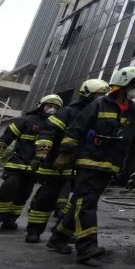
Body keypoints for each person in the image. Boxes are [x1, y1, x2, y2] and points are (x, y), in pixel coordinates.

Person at [46, 67, 135, 263]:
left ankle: (57, 239)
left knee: (81, 200)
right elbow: (76, 129)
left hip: (109, 166)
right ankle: (87, 248)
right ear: (121, 86)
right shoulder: (99, 104)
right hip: (89, 162)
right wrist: (64, 154)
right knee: (87, 203)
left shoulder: (133, 110)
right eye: (134, 87)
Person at [25, 79, 110, 243]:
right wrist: (42, 152)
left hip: (81, 164)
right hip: (57, 163)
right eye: (99, 94)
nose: (102, 98)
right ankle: (34, 230)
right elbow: (48, 132)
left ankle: (63, 232)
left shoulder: (99, 115)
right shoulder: (68, 112)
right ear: (87, 94)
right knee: (47, 196)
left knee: (77, 202)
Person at [0, 94, 62, 230]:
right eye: (49, 106)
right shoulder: (27, 120)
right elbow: (6, 138)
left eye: (55, 107)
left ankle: (10, 220)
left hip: (36, 167)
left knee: (24, 194)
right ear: (41, 106)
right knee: (9, 188)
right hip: (18, 162)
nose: (52, 109)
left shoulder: (55, 126)